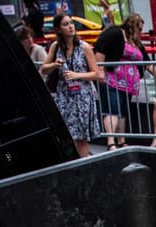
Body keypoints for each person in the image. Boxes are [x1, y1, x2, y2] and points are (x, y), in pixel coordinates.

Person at [41, 13, 103, 157]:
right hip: (63, 96)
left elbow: (96, 74)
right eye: (65, 24)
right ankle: (72, 166)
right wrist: (54, 65)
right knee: (66, 136)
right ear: (58, 29)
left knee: (81, 138)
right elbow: (43, 69)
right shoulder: (56, 46)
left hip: (82, 97)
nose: (70, 27)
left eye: (71, 23)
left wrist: (77, 75)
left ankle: (84, 168)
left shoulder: (84, 47)